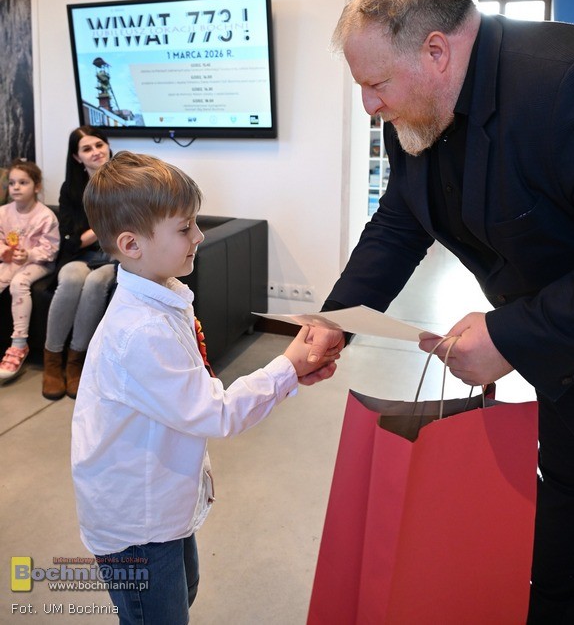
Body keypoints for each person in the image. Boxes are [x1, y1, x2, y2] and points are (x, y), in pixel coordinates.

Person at [305, 0, 574, 624]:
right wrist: (336, 319)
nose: (369, 106)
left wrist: (508, 336)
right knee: (558, 554)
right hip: (568, 377)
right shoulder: (416, 107)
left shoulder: (572, 84)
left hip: (570, 345)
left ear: (435, 51)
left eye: (376, 84)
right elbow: (401, 220)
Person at [71, 151, 339, 625]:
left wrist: (290, 373)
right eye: (184, 228)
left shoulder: (163, 297)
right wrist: (286, 367)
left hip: (162, 503)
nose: (199, 236)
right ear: (132, 244)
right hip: (136, 522)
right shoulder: (141, 331)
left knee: (184, 590)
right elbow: (216, 412)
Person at [42, 126, 116, 401]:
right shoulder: (71, 189)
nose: (95, 152)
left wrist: (89, 233)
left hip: (114, 257)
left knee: (96, 282)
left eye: (99, 145)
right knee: (72, 278)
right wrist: (102, 225)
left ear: (107, 146)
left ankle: (76, 361)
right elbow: (71, 242)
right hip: (80, 257)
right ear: (77, 157)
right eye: (87, 149)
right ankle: (52, 361)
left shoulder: (126, 180)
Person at [0, 159, 59, 381]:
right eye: (12, 183)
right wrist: (4, 250)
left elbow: (50, 250)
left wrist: (30, 255)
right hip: (11, 261)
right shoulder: (3, 212)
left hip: (39, 264)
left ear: (36, 186)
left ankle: (19, 344)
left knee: (19, 283)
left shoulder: (45, 216)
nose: (16, 187)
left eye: (23, 182)